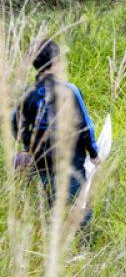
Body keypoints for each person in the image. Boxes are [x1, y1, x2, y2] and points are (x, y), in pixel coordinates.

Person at [11, 40, 101, 230]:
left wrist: (29, 146)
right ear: (56, 61)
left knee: (50, 204)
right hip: (72, 162)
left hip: (42, 163)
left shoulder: (26, 94)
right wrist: (93, 154)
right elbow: (85, 126)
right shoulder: (70, 90)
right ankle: (83, 246)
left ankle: (53, 241)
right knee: (79, 205)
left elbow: (16, 127)